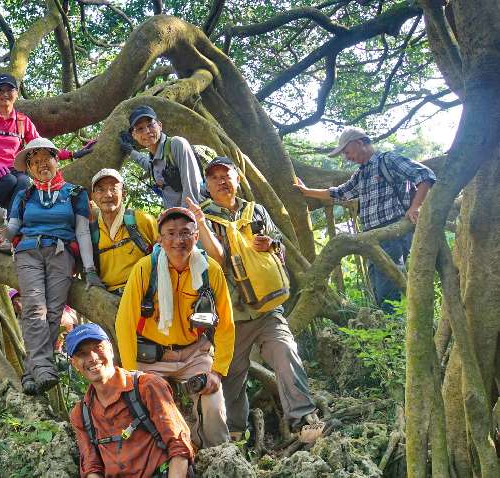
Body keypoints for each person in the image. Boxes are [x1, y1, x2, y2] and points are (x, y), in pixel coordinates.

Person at [190, 157, 323, 444]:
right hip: (231, 314)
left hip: (266, 308)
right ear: (207, 185)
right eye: (214, 177)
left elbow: (280, 246)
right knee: (231, 377)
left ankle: (303, 420)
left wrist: (271, 244)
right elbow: (216, 259)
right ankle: (235, 431)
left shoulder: (257, 211)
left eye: (226, 175)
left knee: (286, 352)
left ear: (237, 179)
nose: (221, 181)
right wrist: (200, 224)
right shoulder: (203, 217)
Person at [116, 207, 235, 448]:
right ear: (160, 238)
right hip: (152, 357)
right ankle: (163, 456)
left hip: (195, 353)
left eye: (185, 233)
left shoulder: (209, 270)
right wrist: (132, 375)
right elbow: (125, 322)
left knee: (212, 404)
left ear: (196, 236)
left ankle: (219, 455)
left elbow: (225, 324)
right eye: (170, 233)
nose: (178, 240)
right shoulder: (145, 269)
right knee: (139, 408)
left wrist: (217, 371)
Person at [293, 127, 436, 312]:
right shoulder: (361, 173)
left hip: (391, 232)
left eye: (347, 151)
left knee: (387, 285)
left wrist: (415, 207)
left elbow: (425, 175)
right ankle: (387, 329)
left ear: (359, 143)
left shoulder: (388, 160)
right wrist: (307, 191)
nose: (347, 157)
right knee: (378, 286)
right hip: (371, 238)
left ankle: (392, 331)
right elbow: (340, 192)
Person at [1, 137, 102, 395]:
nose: (42, 165)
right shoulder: (23, 196)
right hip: (29, 253)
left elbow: (81, 232)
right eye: (35, 162)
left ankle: (30, 373)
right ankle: (45, 368)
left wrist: (89, 270)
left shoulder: (75, 193)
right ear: (30, 169)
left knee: (54, 312)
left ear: (57, 161)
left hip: (61, 253)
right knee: (34, 307)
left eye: (47, 159)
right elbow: (12, 230)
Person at [67, 324, 195, 478]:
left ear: (111, 349)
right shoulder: (81, 414)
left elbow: (179, 445)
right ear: (74, 364)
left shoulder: (147, 387)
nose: (93, 358)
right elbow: (91, 466)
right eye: (82, 353)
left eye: (98, 347)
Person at [0, 73, 94, 210]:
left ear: (16, 93)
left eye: (9, 90)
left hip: (14, 171)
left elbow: (42, 148)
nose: (5, 94)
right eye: (0, 90)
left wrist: (72, 154)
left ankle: (11, 221)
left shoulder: (23, 122)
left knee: (24, 181)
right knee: (9, 180)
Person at [89, 168, 159, 294]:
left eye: (113, 188)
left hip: (145, 294)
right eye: (100, 190)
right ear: (93, 196)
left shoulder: (142, 220)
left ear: (124, 193)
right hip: (108, 298)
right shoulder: (91, 231)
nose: (108, 195)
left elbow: (165, 255)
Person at [119, 105, 204, 208]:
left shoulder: (176, 144)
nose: (147, 131)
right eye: (140, 129)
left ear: (159, 125)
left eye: (150, 125)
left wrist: (185, 219)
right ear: (134, 135)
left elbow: (191, 187)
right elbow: (147, 164)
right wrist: (131, 151)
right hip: (174, 217)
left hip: (194, 215)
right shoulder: (154, 160)